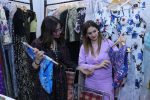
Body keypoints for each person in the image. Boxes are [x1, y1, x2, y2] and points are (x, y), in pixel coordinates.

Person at [31, 16, 76, 100]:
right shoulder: (37, 44)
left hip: (60, 83)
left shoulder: (60, 41)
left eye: (60, 29)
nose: (59, 32)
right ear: (47, 31)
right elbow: (32, 70)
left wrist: (79, 67)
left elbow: (67, 61)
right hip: (45, 84)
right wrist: (37, 60)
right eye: (55, 31)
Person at [78, 20, 125, 100]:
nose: (93, 34)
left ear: (98, 30)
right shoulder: (84, 47)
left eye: (94, 31)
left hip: (106, 84)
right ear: (86, 35)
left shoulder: (108, 43)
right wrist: (97, 66)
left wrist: (121, 43)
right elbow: (81, 65)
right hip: (90, 83)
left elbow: (118, 59)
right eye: (90, 33)